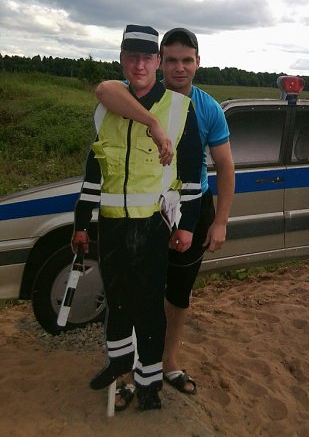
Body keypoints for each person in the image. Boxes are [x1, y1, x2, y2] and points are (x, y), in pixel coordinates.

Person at [95, 27, 235, 395]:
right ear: (159, 63)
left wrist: (220, 221)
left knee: (177, 294)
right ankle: (128, 373)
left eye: (186, 60)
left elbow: (225, 166)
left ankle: (167, 362)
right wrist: (153, 122)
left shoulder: (208, 108)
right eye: (171, 60)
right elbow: (105, 90)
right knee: (134, 290)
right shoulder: (136, 95)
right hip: (143, 213)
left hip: (191, 209)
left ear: (198, 62)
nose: (179, 68)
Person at [72, 24, 203, 412]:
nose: (140, 65)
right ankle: (119, 365)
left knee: (148, 307)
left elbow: (192, 177)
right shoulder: (106, 107)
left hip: (152, 226)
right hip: (112, 224)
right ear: (122, 60)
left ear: (157, 62)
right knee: (117, 302)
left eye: (147, 58)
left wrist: (187, 227)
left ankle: (149, 385)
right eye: (132, 57)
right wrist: (81, 224)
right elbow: (94, 173)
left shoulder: (180, 109)